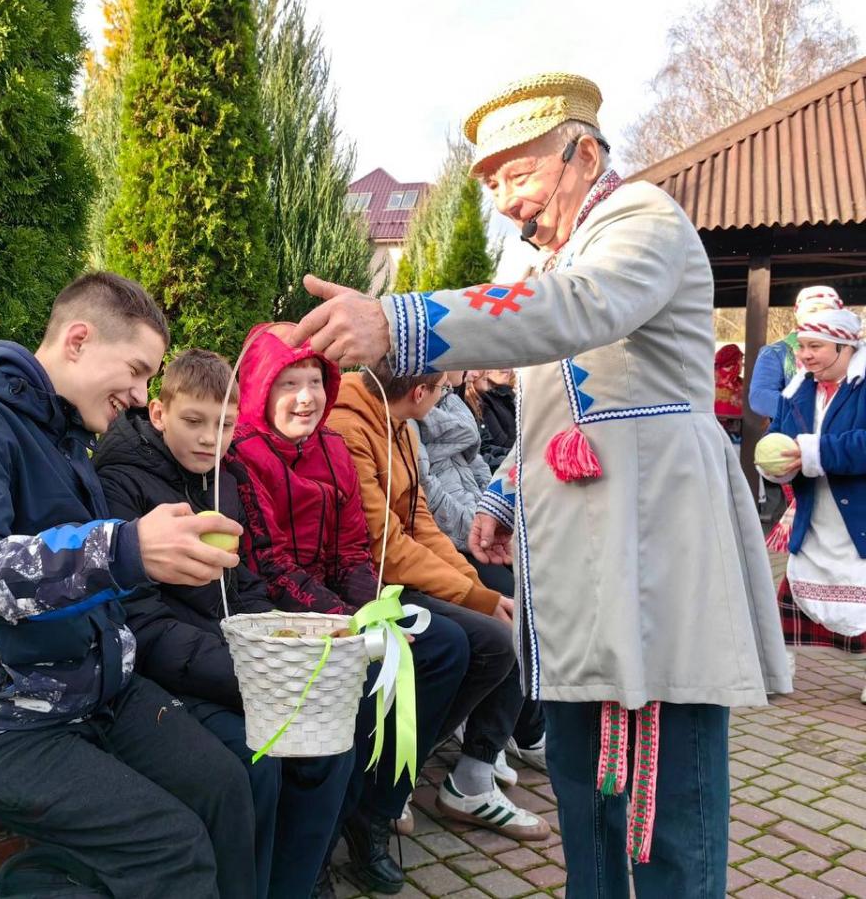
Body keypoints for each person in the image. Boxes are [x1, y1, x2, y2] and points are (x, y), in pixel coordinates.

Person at [286, 72, 791, 897]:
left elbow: (575, 307)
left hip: (652, 552)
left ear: (584, 154)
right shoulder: (574, 253)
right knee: (582, 775)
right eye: (494, 187)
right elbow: (570, 413)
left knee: (663, 785)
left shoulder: (640, 222)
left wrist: (401, 320)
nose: (510, 204)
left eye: (519, 176)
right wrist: (504, 493)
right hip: (584, 566)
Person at [0, 272, 254, 899]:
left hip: (83, 691)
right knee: (171, 850)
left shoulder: (64, 434)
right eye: (138, 370)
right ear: (79, 340)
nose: (142, 396)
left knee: (225, 788)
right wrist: (127, 548)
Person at [93, 349, 354, 898]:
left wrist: (283, 643)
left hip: (232, 660)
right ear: (160, 414)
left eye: (226, 426)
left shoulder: (224, 481)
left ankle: (296, 883)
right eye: (194, 422)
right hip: (167, 676)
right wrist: (252, 672)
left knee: (330, 745)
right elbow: (139, 619)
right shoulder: (121, 484)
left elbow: (248, 582)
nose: (210, 439)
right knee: (255, 759)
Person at [223, 323, 471, 896]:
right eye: (289, 383)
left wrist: (375, 617)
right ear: (261, 386)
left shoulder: (331, 449)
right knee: (355, 688)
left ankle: (373, 809)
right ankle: (314, 854)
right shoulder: (244, 456)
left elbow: (353, 551)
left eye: (314, 381)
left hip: (338, 608)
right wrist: (353, 628)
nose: (306, 397)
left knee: (444, 648)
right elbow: (273, 565)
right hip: (283, 619)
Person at [326, 365, 550, 840]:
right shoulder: (350, 426)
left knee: (503, 624)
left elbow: (418, 518)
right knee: (471, 641)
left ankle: (446, 774)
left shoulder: (401, 423)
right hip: (368, 582)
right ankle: (383, 785)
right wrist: (475, 595)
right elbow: (383, 543)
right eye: (442, 389)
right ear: (420, 391)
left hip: (400, 571)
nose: (447, 396)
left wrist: (476, 590)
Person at [758, 307, 866, 702]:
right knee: (792, 594)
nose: (805, 355)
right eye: (801, 346)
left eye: (815, 346)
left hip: (859, 517)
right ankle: (777, 672)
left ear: (845, 347)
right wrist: (775, 465)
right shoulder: (797, 388)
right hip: (812, 515)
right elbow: (780, 438)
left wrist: (809, 451)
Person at [748, 286, 844, 421]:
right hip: (793, 436)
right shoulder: (776, 352)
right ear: (799, 315)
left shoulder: (848, 352)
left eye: (828, 312)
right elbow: (760, 396)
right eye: (812, 310)